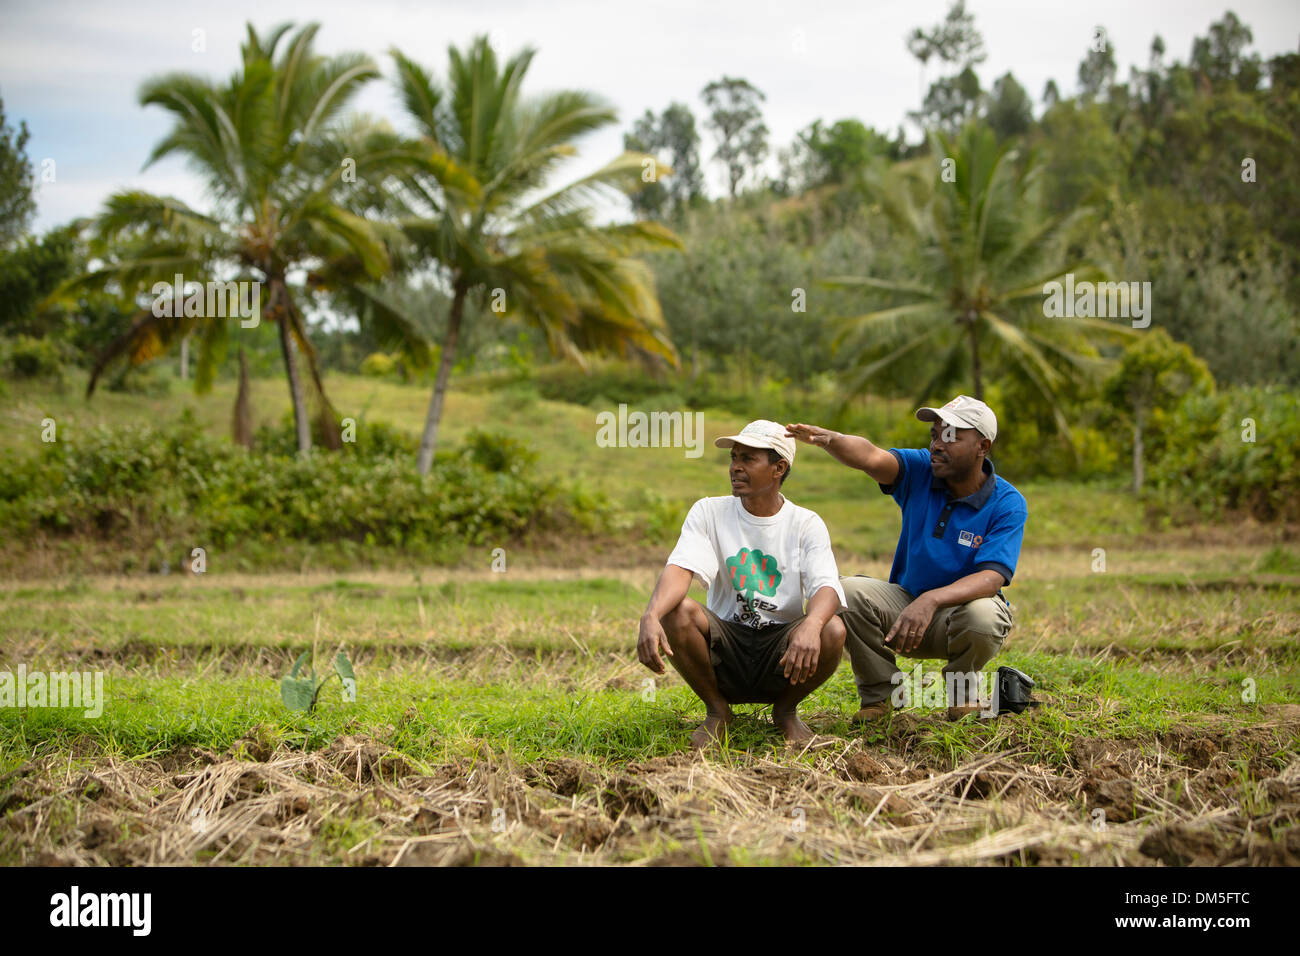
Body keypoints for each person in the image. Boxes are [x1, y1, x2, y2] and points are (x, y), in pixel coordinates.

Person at [787, 395, 1026, 721]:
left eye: (952, 436)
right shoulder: (921, 470)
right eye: (935, 435)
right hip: (903, 616)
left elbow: (992, 578)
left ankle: (962, 696)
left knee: (984, 616)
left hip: (958, 619)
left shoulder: (1007, 503)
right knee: (848, 592)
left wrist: (931, 600)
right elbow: (871, 457)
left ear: (982, 446)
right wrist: (831, 440)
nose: (938, 444)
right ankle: (880, 700)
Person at [636, 420, 847, 748]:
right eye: (734, 458)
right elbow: (682, 568)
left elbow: (826, 586)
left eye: (748, 459)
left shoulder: (805, 523)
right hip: (726, 646)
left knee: (831, 629)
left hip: (782, 651)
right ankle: (717, 711)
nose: (735, 467)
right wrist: (651, 614)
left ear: (779, 468)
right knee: (674, 612)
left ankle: (786, 711)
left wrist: (812, 624)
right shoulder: (709, 512)